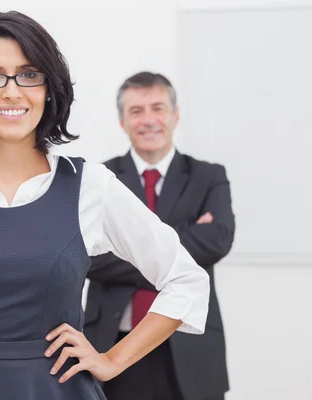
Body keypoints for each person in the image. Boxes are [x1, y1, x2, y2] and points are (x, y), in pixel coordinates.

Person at [0, 12, 210, 400]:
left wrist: (113, 360)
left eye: (29, 74)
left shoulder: (89, 187)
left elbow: (185, 279)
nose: (12, 92)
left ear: (49, 88)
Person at [84, 72, 235, 400]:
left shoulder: (209, 176)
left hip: (189, 342)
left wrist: (127, 249)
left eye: (158, 108)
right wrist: (182, 242)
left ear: (175, 115)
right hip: (113, 343)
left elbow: (217, 241)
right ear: (122, 121)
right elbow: (88, 258)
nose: (149, 120)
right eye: (136, 111)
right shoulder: (97, 179)